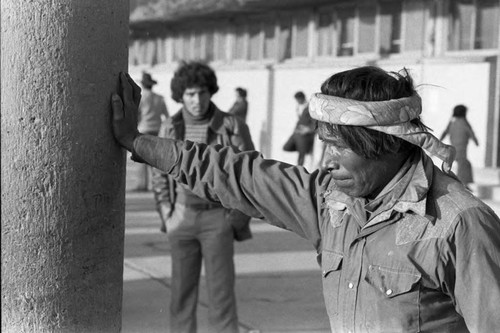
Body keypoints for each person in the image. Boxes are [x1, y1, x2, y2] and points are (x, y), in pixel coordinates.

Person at [111, 66, 500, 332]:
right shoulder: (329, 204)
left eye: (340, 147)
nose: (326, 163)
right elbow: (233, 172)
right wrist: (137, 141)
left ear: (386, 145)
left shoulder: (458, 224)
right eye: (323, 145)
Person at [150, 62, 254, 333]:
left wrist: (236, 220)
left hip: (218, 217)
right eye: (190, 94)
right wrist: (167, 215)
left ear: (211, 93)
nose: (197, 101)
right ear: (180, 96)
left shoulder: (231, 125)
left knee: (221, 295)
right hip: (181, 216)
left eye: (202, 93)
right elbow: (159, 176)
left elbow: (251, 176)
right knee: (181, 295)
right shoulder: (169, 127)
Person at [132, 72, 169, 191]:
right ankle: (156, 185)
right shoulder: (160, 98)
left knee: (140, 158)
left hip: (144, 129)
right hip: (157, 130)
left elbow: (136, 115)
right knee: (155, 159)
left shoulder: (141, 98)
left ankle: (142, 185)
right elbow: (166, 116)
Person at [440, 104, 479, 189]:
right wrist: (475, 141)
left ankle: (465, 183)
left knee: (466, 164)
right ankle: (462, 183)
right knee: (463, 164)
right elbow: (470, 131)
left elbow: (445, 131)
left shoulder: (452, 121)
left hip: (454, 146)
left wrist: (440, 140)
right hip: (461, 146)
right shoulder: (464, 122)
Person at [283, 91, 315, 166]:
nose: (297, 101)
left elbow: (314, 122)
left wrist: (308, 129)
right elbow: (300, 120)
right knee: (286, 147)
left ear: (302, 98)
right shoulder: (298, 107)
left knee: (301, 155)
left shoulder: (309, 107)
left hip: (305, 134)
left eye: (298, 99)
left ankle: (299, 167)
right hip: (297, 132)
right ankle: (305, 149)